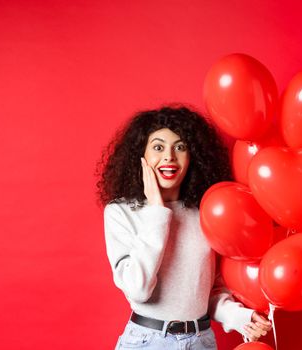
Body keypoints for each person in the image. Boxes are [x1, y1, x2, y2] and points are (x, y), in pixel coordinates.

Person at [97, 105, 271, 349]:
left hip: (201, 341)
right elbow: (139, 289)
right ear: (141, 155)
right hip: (147, 342)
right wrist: (157, 211)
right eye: (158, 147)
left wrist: (241, 318)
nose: (169, 156)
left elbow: (208, 289)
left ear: (193, 157)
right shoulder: (121, 212)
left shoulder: (206, 212)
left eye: (180, 147)